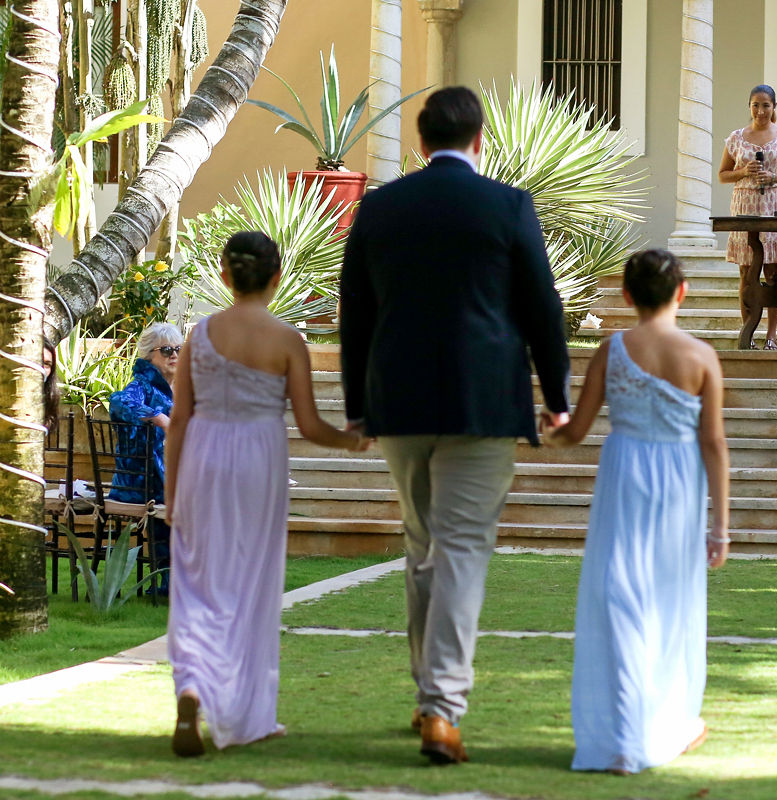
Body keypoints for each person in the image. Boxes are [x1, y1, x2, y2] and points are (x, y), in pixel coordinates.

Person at [339, 86, 571, 765]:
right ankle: (442, 708)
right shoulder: (507, 204)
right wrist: (556, 394)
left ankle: (426, 696)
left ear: (420, 143)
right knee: (461, 549)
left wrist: (358, 404)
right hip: (484, 401)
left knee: (422, 548)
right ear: (479, 142)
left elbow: (356, 312)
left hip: (399, 400)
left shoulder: (379, 208)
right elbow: (541, 306)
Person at [164, 232, 367, 757]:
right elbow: (307, 422)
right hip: (260, 458)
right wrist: (349, 439)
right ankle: (245, 712)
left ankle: (191, 686)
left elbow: (179, 419)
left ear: (226, 276)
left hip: (204, 455)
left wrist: (172, 493)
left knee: (197, 576)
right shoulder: (287, 340)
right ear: (276, 277)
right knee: (250, 580)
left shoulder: (199, 335)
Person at [543, 249, 730, 775]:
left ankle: (624, 735)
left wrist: (549, 430)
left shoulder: (612, 349)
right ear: (682, 292)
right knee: (670, 599)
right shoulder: (701, 356)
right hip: (679, 483)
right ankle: (663, 724)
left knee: (619, 595)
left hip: (624, 473)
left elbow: (574, 433)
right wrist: (721, 527)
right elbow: (714, 443)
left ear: (627, 295)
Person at [718, 84, 777, 351]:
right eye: (755, 105)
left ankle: (771, 336)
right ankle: (749, 335)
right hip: (746, 204)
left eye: (766, 105)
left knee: (775, 273)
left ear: (774, 107)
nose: (760, 111)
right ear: (749, 106)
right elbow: (723, 174)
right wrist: (744, 170)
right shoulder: (736, 137)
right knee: (747, 273)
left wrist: (774, 176)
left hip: (776, 204)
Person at [108, 321, 183, 592]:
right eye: (165, 350)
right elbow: (119, 401)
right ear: (149, 355)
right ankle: (170, 580)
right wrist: (158, 417)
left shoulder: (180, 388)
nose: (174, 355)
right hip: (139, 483)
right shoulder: (143, 385)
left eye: (178, 349)